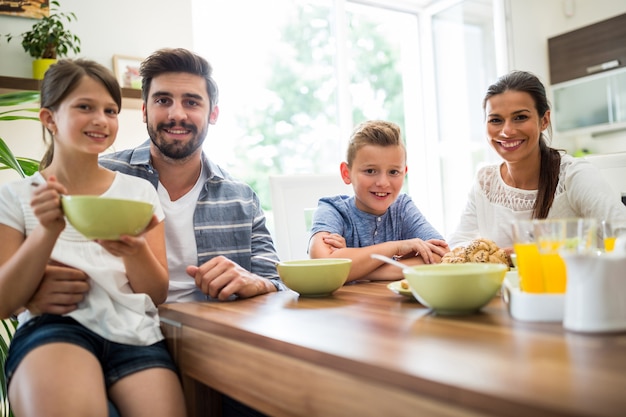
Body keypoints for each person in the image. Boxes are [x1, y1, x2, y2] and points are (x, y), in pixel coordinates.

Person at [27, 48, 283, 417]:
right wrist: (35, 290)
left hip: (213, 348)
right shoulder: (95, 175)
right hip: (119, 339)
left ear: (212, 114)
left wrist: (256, 282)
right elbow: (33, 229)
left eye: (191, 102)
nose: (177, 114)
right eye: (163, 100)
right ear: (144, 110)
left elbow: (274, 276)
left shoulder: (241, 196)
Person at [0, 59, 186, 416]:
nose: (101, 119)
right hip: (54, 329)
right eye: (85, 107)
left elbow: (156, 292)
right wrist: (47, 232)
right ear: (49, 119)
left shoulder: (139, 193)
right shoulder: (15, 197)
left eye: (110, 110)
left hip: (136, 335)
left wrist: (134, 252)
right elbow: (5, 303)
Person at [447, 70, 626, 252]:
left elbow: (623, 236)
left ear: (544, 120)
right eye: (496, 120)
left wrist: (526, 252)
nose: (507, 131)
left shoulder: (573, 175)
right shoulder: (485, 181)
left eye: (520, 117)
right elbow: (458, 242)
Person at [308, 120, 449, 282]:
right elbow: (323, 265)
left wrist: (354, 269)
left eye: (394, 172)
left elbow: (441, 255)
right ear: (346, 173)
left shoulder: (402, 207)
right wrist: (395, 247)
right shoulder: (331, 209)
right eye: (370, 171)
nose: (383, 182)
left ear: (404, 173)